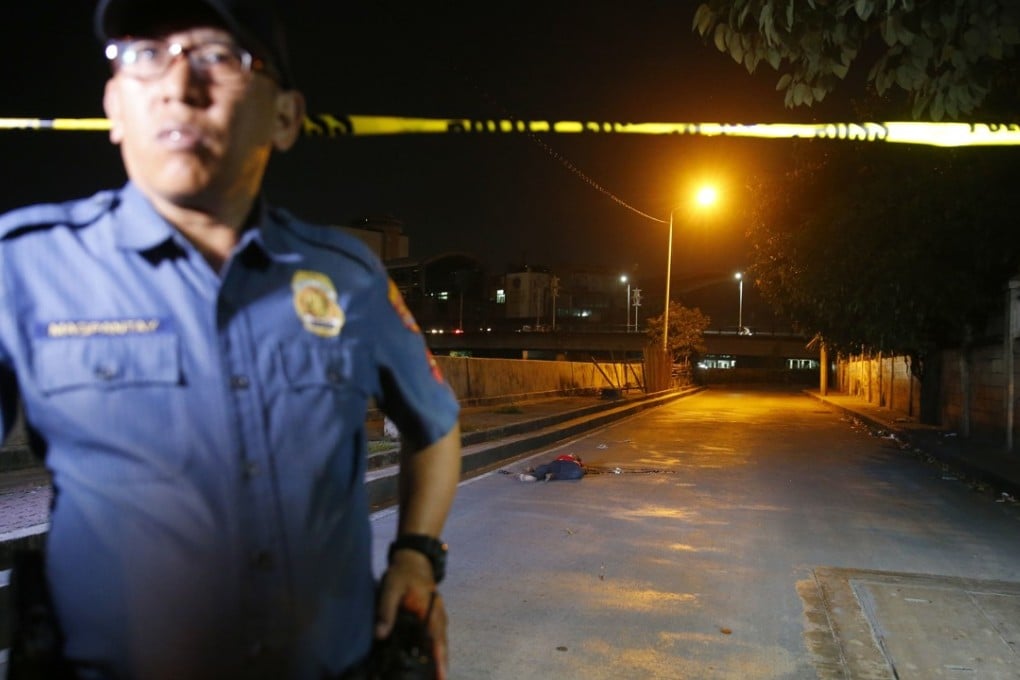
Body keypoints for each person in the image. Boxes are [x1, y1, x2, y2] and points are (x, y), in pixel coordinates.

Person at [0, 1, 462, 678]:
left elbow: (436, 424)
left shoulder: (347, 277)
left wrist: (417, 555)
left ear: (285, 118)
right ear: (114, 107)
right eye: (144, 55)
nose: (178, 87)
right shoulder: (25, 269)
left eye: (218, 57)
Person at [518, 454, 585, 482]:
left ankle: (553, 476)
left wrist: (578, 463)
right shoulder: (563, 456)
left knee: (578, 473)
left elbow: (581, 467)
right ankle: (534, 476)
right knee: (546, 467)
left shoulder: (576, 462)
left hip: (570, 465)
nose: (572, 454)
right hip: (558, 463)